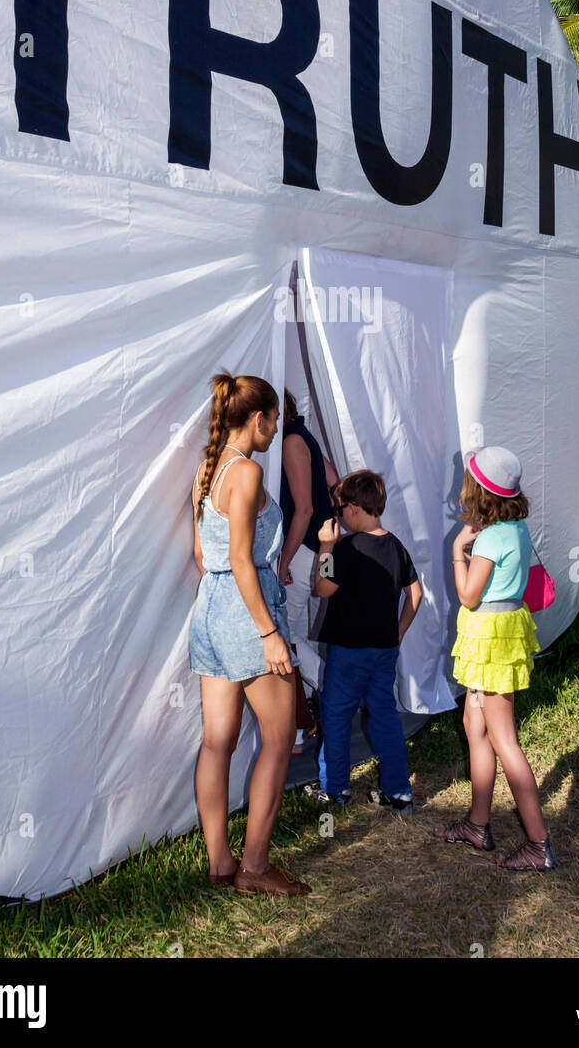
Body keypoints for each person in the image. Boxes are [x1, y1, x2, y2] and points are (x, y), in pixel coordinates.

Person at [189, 370, 311, 897]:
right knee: (280, 739)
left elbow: (205, 556)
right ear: (257, 419)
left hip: (209, 611)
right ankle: (256, 870)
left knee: (218, 742)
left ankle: (221, 862)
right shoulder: (247, 474)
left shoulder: (207, 469)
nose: (276, 430)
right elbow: (241, 559)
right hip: (246, 612)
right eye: (274, 422)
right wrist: (268, 633)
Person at [433, 446, 557, 871]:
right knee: (474, 723)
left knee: (504, 739)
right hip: (499, 635)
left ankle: (539, 845)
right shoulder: (516, 527)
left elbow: (468, 595)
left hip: (490, 639)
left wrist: (457, 551)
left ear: (479, 491)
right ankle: (478, 824)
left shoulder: (487, 539)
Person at [308, 470, 423, 811]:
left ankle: (335, 788)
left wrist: (326, 545)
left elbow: (322, 588)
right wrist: (399, 631)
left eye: (340, 509)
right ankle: (398, 791)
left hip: (348, 651)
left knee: (337, 714)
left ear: (354, 508)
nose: (339, 516)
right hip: (384, 649)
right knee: (384, 714)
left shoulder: (348, 548)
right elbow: (415, 594)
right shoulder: (396, 546)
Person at [277, 388, 339, 751]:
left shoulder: (290, 441)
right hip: (315, 549)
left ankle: (333, 688)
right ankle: (299, 730)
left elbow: (301, 510)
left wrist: (283, 561)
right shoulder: (304, 434)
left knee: (288, 636)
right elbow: (334, 481)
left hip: (301, 552)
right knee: (294, 633)